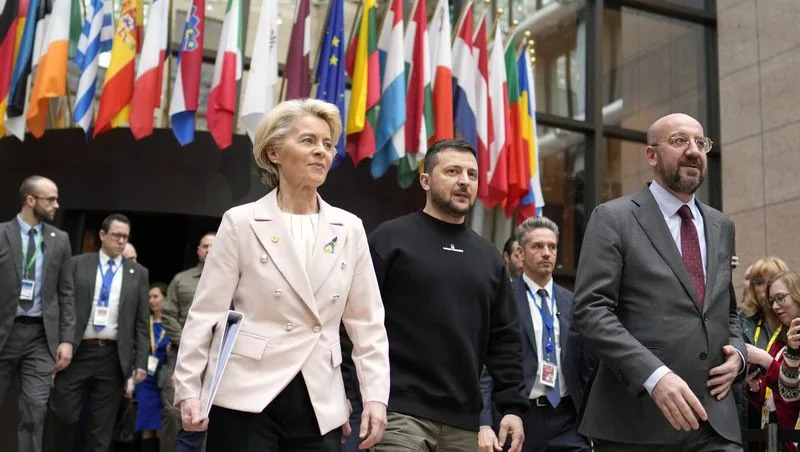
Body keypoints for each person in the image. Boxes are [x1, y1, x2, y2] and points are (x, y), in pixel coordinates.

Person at [172, 98, 390, 451]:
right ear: (274, 152)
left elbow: (367, 323)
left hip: (321, 397)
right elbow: (206, 313)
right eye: (308, 141)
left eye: (328, 144)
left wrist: (376, 398)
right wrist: (188, 388)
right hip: (246, 393)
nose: (321, 151)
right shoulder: (240, 222)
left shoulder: (349, 228)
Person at [573, 113, 746, 451]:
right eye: (679, 141)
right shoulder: (614, 218)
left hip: (716, 424)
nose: (693, 150)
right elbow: (591, 311)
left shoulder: (721, 225)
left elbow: (727, 313)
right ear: (651, 155)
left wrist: (738, 355)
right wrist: (654, 376)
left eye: (700, 142)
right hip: (637, 423)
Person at [368, 139, 527, 452]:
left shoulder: (489, 257)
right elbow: (357, 321)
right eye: (453, 171)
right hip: (399, 412)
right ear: (425, 180)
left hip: (464, 423)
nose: (464, 181)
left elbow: (505, 339)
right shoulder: (390, 239)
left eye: (472, 174)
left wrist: (512, 407)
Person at [480, 217, 593, 452]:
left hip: (567, 419)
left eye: (552, 247)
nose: (546, 253)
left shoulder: (572, 302)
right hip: (519, 417)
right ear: (520, 252)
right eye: (538, 246)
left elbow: (586, 368)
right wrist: (484, 423)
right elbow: (487, 369)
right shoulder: (504, 298)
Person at [44, 213, 150, 452]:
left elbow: (142, 322)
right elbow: (64, 306)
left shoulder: (138, 273)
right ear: (102, 235)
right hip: (78, 350)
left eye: (125, 237)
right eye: (116, 235)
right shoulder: (78, 264)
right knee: (64, 415)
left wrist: (140, 361)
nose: (121, 241)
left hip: (113, 356)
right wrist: (62, 341)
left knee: (101, 428)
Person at [0, 176, 74, 452]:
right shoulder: (2, 234)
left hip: (40, 338)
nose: (56, 205)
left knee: (35, 409)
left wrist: (66, 339)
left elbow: (66, 292)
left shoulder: (60, 240)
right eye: (50, 199)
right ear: (30, 200)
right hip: (4, 332)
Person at [160, 233, 215, 452]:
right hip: (180, 356)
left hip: (218, 360)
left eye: (215, 245)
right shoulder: (181, 280)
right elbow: (167, 315)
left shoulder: (237, 280)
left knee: (209, 418)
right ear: (199, 251)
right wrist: (190, 343)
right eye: (206, 246)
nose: (210, 250)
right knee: (175, 415)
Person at [745, 271, 800, 452]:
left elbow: (792, 393)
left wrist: (766, 360)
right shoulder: (780, 337)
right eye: (771, 301)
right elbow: (775, 394)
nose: (775, 306)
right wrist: (754, 387)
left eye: (781, 298)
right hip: (775, 434)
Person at [134, 283, 172, 452]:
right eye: (149, 297)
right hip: (145, 380)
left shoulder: (172, 324)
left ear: (165, 298)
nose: (152, 300)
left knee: (163, 426)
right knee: (146, 425)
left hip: (165, 380)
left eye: (156, 296)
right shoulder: (145, 322)